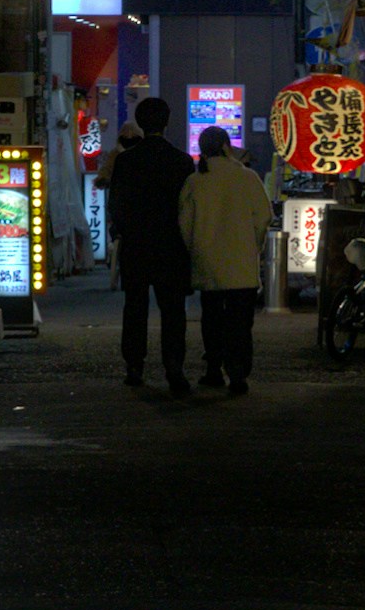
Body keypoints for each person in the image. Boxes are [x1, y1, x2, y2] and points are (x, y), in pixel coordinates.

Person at [99, 93, 194, 388]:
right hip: (171, 246)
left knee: (135, 308)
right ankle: (174, 367)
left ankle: (135, 367)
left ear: (140, 123)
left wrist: (123, 233)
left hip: (137, 245)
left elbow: (116, 204)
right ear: (167, 123)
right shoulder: (182, 161)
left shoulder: (127, 161)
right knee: (173, 310)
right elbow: (188, 207)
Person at [177, 126, 276, 394]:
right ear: (226, 146)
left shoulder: (195, 181)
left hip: (208, 262)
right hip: (241, 263)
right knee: (240, 323)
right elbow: (264, 216)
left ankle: (213, 370)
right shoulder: (247, 177)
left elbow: (184, 224)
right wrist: (254, 244)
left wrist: (197, 248)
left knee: (212, 320)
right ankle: (238, 373)